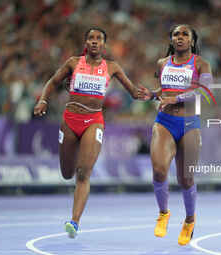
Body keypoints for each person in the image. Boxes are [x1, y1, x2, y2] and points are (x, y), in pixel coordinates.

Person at [33, 27, 143, 239]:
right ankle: (76, 160)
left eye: (98, 39)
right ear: (86, 43)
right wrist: (43, 100)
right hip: (69, 121)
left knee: (83, 174)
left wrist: (155, 94)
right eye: (91, 38)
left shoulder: (112, 67)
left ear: (104, 44)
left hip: (94, 121)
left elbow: (134, 92)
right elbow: (53, 82)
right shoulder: (73, 63)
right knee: (67, 173)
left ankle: (74, 222)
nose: (94, 42)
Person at [139, 24, 213, 245]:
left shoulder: (201, 63)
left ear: (192, 40)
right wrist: (153, 95)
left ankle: (190, 220)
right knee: (159, 170)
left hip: (189, 123)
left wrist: (177, 99)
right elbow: (165, 90)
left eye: (184, 34)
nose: (179, 37)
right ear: (171, 40)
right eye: (175, 34)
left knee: (185, 178)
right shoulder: (163, 63)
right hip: (165, 123)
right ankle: (163, 213)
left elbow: (206, 90)